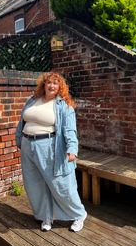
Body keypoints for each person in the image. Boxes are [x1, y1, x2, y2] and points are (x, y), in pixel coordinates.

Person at [15, 72, 87, 232]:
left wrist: (72, 149)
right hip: (28, 145)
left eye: (55, 83)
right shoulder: (32, 100)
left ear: (60, 86)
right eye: (49, 82)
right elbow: (22, 121)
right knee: (34, 184)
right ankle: (46, 217)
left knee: (61, 184)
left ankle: (78, 214)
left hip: (48, 146)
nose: (52, 86)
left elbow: (70, 129)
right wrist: (19, 139)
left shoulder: (64, 105)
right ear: (43, 84)